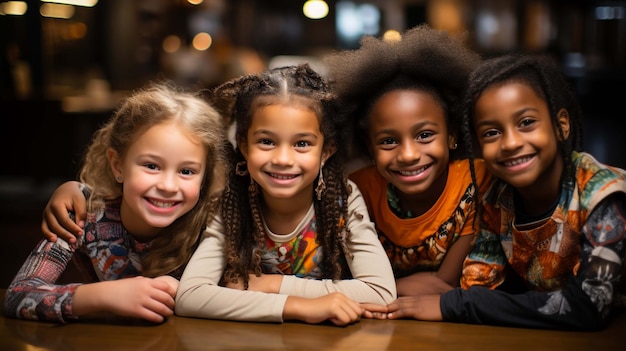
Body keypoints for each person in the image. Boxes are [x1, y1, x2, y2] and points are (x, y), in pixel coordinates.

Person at [378, 53, 626, 330]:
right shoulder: (498, 199)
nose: (509, 143)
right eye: (492, 132)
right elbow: (478, 286)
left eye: (526, 123)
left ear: (561, 125)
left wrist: (451, 304)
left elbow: (588, 306)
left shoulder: (603, 192)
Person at [173, 63, 396, 326]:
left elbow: (380, 293)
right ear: (243, 146)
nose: (282, 159)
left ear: (326, 151)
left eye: (302, 144)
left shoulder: (343, 201)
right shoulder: (232, 201)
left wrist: (273, 284)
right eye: (266, 141)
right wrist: (297, 306)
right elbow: (190, 296)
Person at [3, 83, 229, 324]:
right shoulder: (83, 215)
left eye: (186, 171)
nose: (168, 186)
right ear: (118, 165)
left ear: (205, 177)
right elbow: (17, 296)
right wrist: (103, 296)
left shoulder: (216, 224)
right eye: (151, 166)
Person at [323, 24, 492, 297]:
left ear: (452, 135)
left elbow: (442, 284)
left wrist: (381, 289)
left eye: (424, 135)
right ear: (369, 147)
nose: (409, 155)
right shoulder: (359, 189)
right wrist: (393, 288)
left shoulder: (476, 180)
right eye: (389, 141)